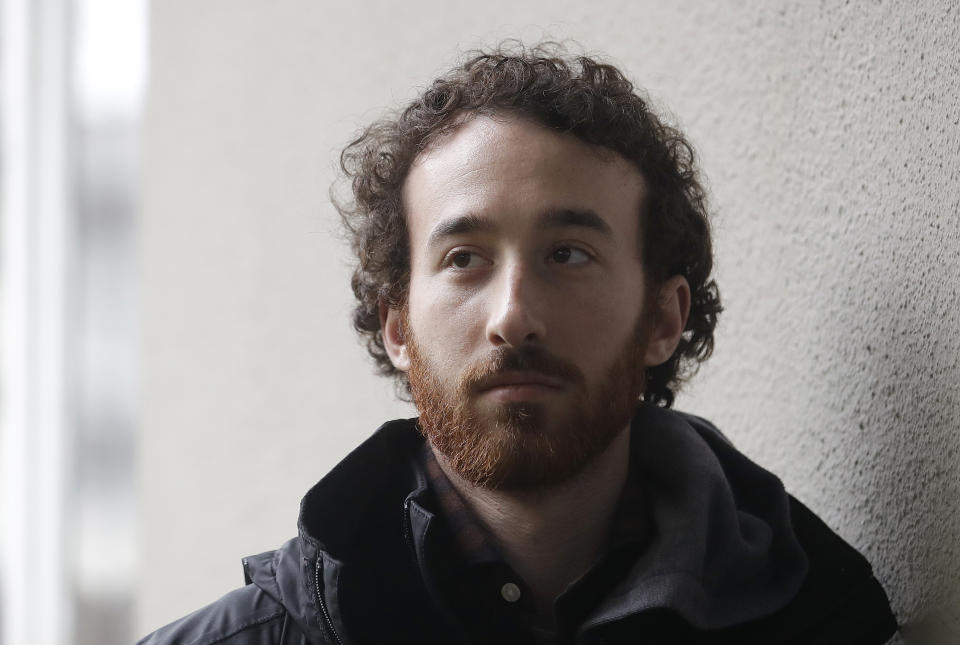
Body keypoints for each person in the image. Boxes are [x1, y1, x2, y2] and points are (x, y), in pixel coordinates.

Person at [139, 44, 897, 645]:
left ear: (664, 319)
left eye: (568, 254)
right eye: (464, 258)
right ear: (396, 325)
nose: (514, 316)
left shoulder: (823, 622)